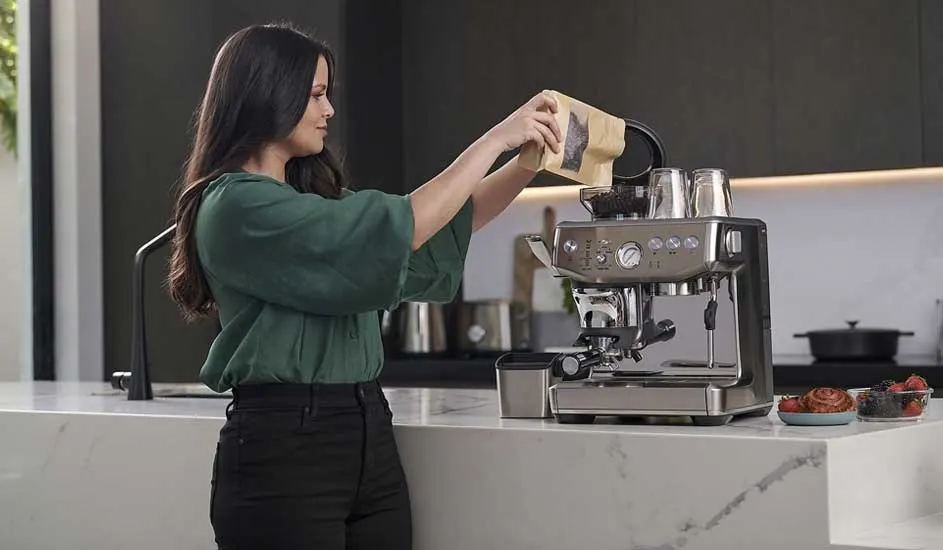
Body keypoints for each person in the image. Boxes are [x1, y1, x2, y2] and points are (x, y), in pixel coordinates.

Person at [167, 22, 561, 550]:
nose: (328, 110)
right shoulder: (235, 205)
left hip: (368, 432)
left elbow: (431, 231)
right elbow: (398, 227)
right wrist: (495, 140)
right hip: (284, 448)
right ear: (267, 94)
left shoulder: (314, 204)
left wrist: (524, 163)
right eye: (315, 95)